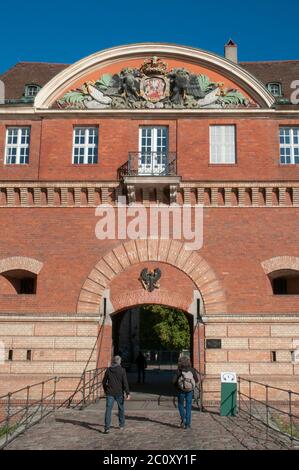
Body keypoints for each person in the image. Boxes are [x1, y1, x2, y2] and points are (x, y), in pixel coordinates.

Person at [103, 355, 131, 434]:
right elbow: (125, 382)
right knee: (121, 409)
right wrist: (127, 393)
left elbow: (103, 382)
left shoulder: (108, 370)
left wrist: (106, 390)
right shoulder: (122, 370)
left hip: (110, 393)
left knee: (108, 410)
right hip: (119, 393)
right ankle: (121, 425)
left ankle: (107, 428)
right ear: (119, 361)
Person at [173, 356, 198, 429]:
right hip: (189, 391)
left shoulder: (179, 370)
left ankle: (183, 419)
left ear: (180, 362)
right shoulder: (192, 370)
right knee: (188, 406)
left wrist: (177, 387)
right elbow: (196, 380)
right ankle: (188, 424)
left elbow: (173, 381)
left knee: (180, 404)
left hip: (181, 390)